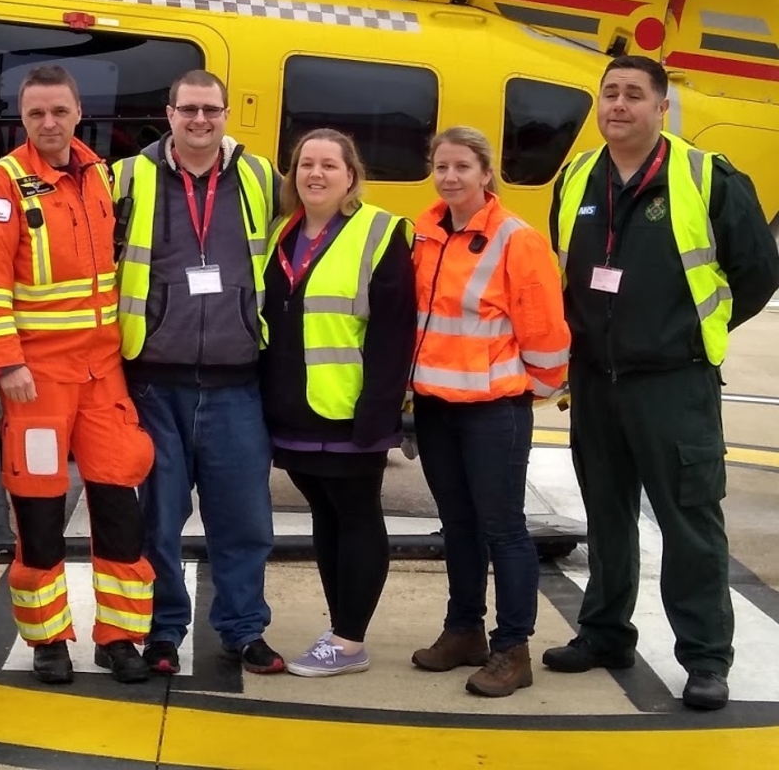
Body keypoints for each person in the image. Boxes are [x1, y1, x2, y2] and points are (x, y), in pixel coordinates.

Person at [544, 55, 779, 711]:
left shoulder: (707, 177)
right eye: (609, 93)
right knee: (606, 517)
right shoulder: (577, 179)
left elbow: (759, 271)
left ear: (662, 107)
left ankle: (705, 657)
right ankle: (604, 633)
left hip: (674, 384)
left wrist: (689, 328)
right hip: (595, 380)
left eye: (633, 95)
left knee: (690, 523)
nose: (618, 105)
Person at [0, 64, 156, 685]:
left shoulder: (98, 174)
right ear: (21, 121)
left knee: (120, 508)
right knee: (41, 516)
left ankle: (120, 637)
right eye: (35, 114)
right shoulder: (3, 184)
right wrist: (9, 364)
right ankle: (49, 639)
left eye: (59, 112)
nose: (48, 124)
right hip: (38, 381)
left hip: (103, 374)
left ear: (79, 113)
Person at [112, 69, 284, 676]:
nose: (200, 120)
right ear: (169, 111)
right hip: (157, 383)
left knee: (243, 521)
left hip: (237, 383)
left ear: (227, 113)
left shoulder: (260, 177)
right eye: (189, 109)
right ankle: (162, 631)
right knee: (158, 521)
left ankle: (243, 629)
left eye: (211, 110)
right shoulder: (130, 175)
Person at [408, 127, 570, 697]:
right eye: (442, 166)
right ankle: (463, 630)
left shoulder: (515, 238)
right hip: (434, 405)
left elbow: (545, 325)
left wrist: (538, 386)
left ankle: (512, 648)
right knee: (458, 527)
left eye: (462, 167)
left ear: (485, 173)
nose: (450, 177)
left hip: (493, 409)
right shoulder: (425, 233)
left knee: (503, 528)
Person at [259, 129, 416, 678]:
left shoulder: (381, 231)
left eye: (329, 165)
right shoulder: (283, 232)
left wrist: (380, 413)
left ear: (351, 176)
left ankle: (349, 641)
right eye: (305, 164)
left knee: (355, 517)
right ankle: (341, 629)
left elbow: (395, 333)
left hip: (351, 414)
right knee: (325, 520)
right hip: (294, 413)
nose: (315, 174)